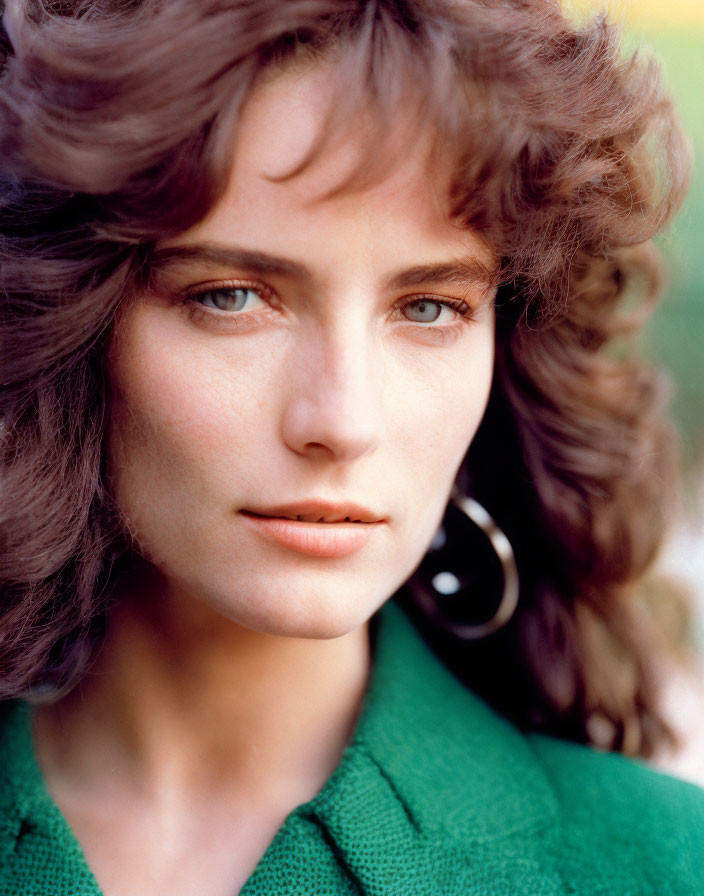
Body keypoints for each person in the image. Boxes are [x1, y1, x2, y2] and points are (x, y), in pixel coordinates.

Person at [0, 0, 702, 893]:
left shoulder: (660, 864)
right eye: (231, 297)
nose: (344, 420)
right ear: (63, 327)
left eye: (429, 308)